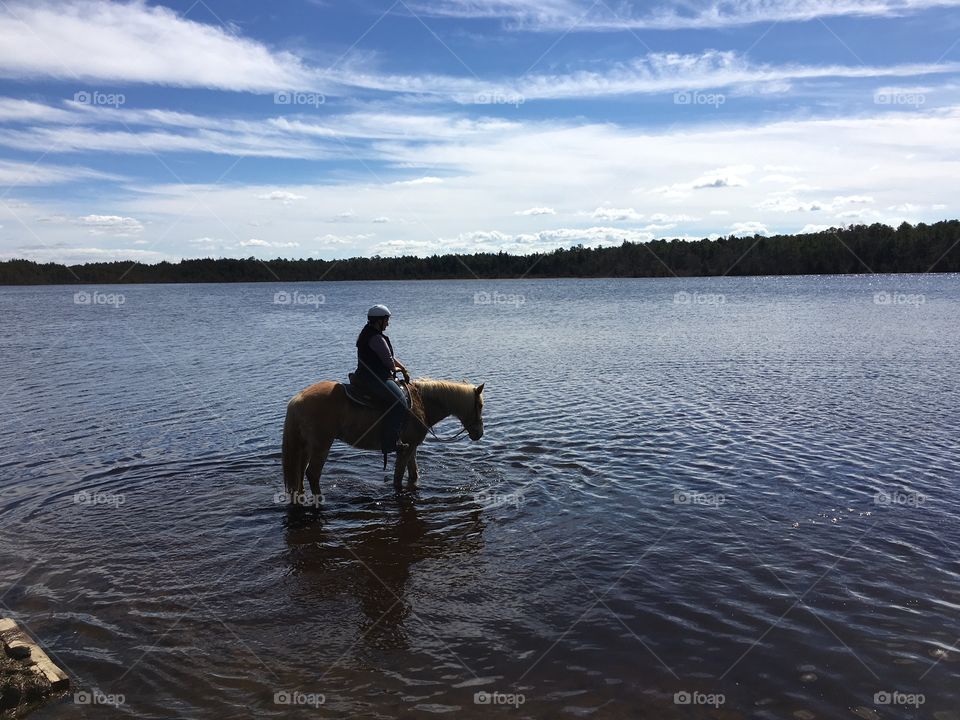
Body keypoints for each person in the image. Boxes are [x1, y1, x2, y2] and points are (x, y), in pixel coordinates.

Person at [355, 304, 411, 456]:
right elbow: (389, 363)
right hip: (375, 378)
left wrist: (403, 368)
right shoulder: (377, 338)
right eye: (386, 320)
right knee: (400, 402)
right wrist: (399, 370)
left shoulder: (368, 333)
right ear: (379, 321)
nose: (388, 323)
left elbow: (390, 358)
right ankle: (390, 442)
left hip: (364, 375)